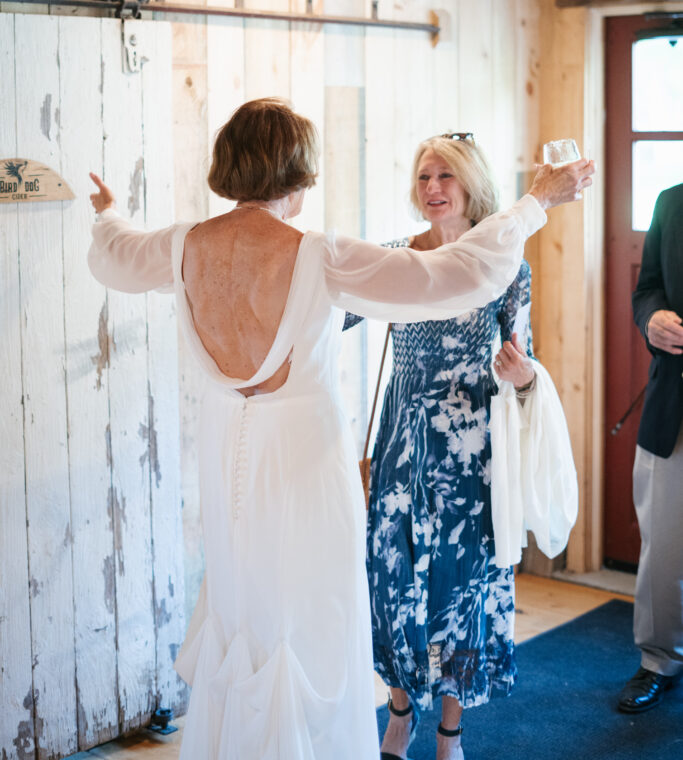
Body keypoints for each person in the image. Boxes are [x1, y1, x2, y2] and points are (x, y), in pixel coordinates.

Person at [87, 99, 593, 760]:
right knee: (316, 611)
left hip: (227, 450)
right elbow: (454, 275)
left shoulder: (183, 244)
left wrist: (106, 213)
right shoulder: (316, 256)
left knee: (245, 601)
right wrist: (534, 202)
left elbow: (116, 258)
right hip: (302, 455)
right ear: (296, 174)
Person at [351, 134, 561, 760]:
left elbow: (526, 365)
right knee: (392, 580)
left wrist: (523, 376)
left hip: (472, 453)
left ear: (472, 186)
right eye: (423, 176)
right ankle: (397, 708)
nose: (433, 187)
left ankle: (449, 730)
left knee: (458, 591)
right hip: (401, 445)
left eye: (446, 175)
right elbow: (329, 312)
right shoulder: (395, 258)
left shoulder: (507, 266)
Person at [617, 181, 683, 714]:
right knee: (662, 547)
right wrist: (652, 320)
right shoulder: (670, 200)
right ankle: (659, 659)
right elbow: (647, 290)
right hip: (673, 405)